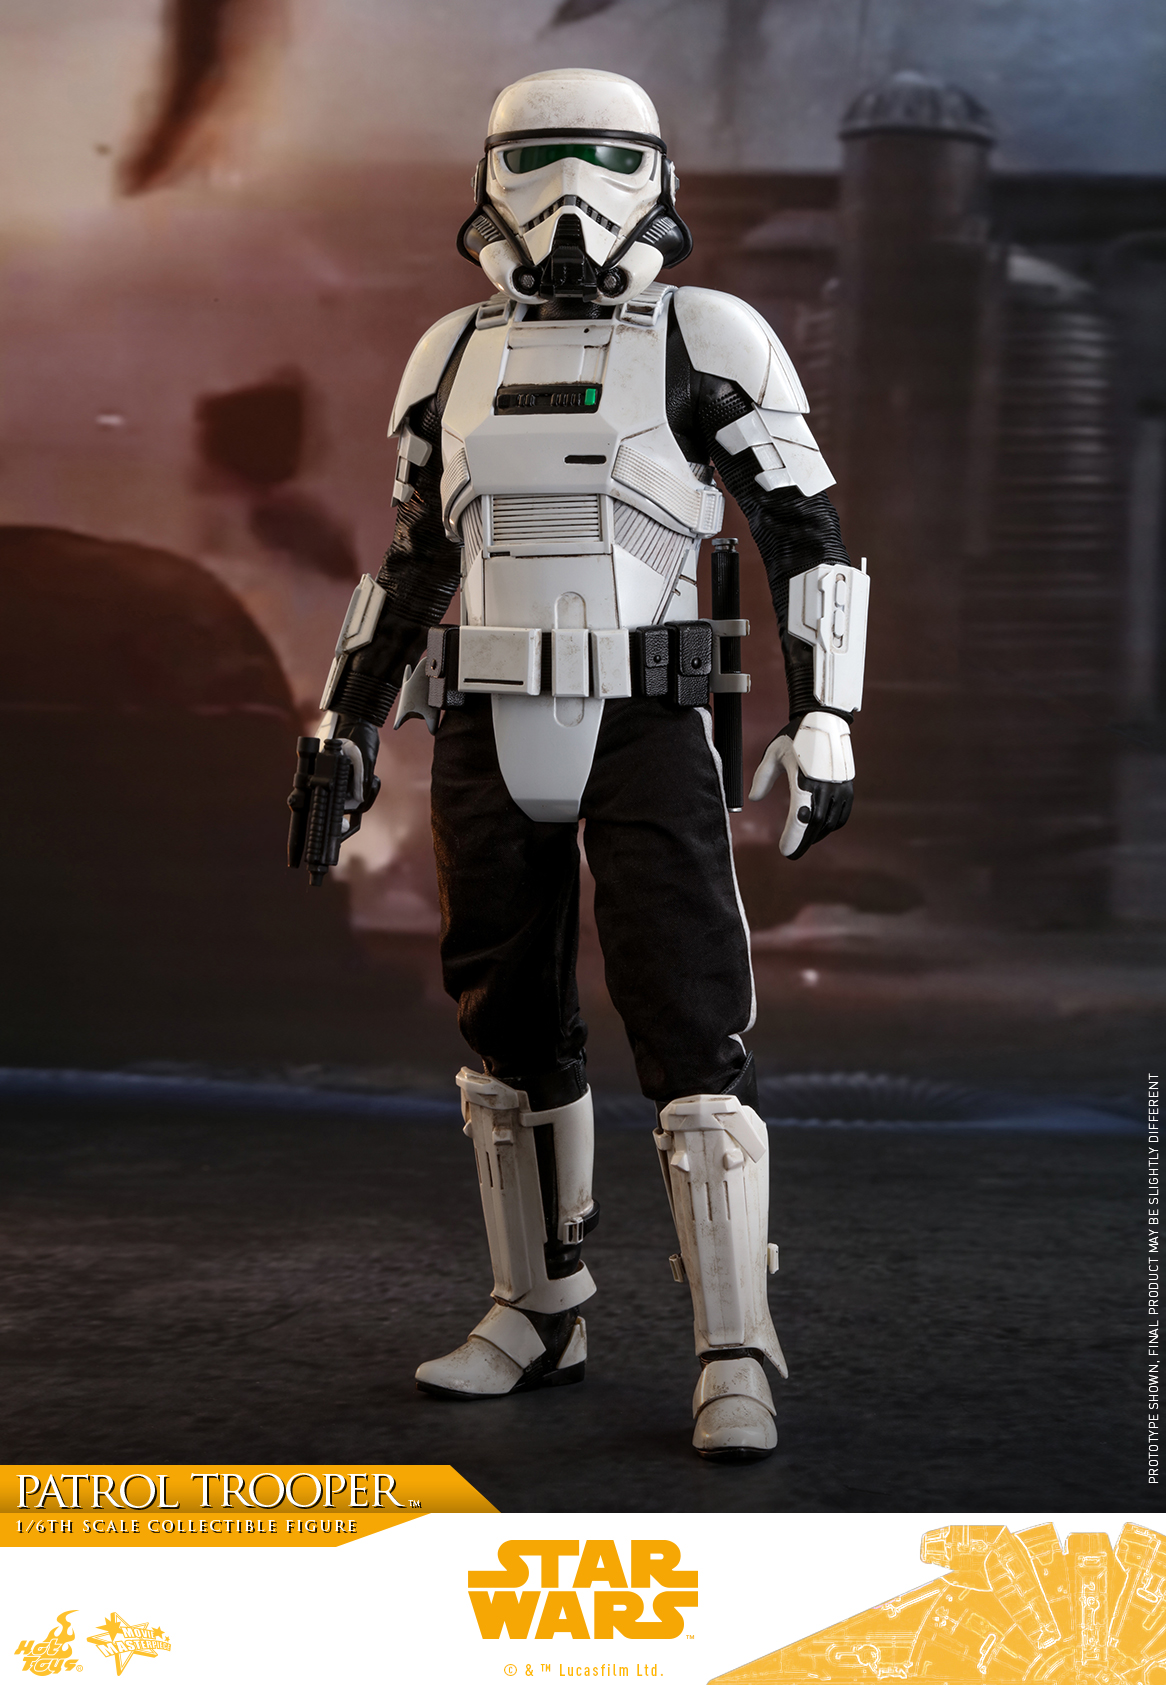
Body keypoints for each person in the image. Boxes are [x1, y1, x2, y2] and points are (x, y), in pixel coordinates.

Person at [299, 68, 869, 1461]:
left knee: (690, 1025)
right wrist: (345, 721)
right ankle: (540, 1306)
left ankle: (734, 1345)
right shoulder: (450, 353)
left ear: (656, 175)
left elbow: (805, 534)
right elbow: (415, 558)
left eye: (605, 157)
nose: (570, 189)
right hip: (484, 719)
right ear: (489, 175)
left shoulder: (704, 334)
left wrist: (827, 714)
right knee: (504, 1024)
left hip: (648, 720)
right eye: (541, 154)